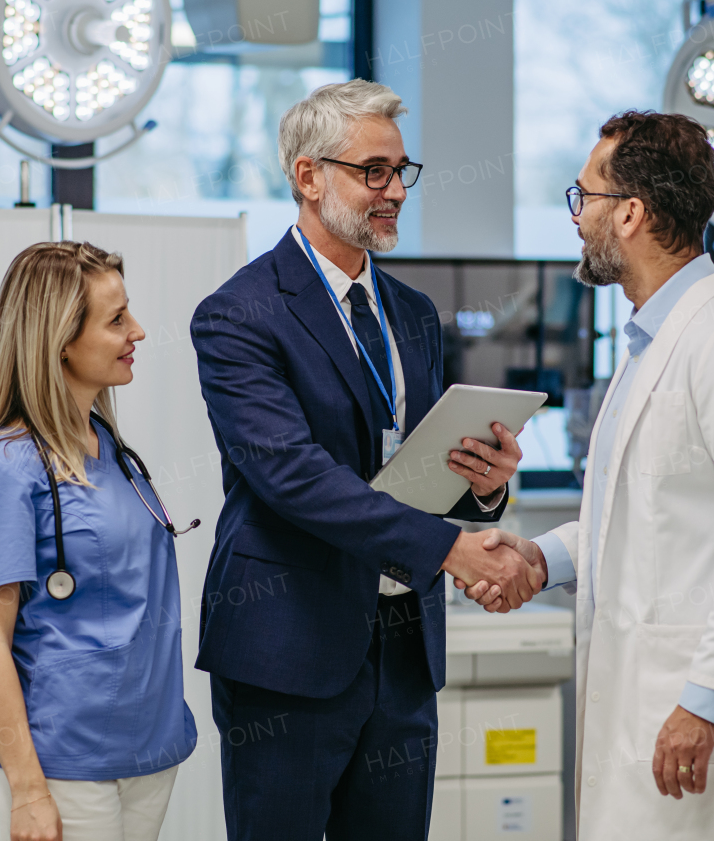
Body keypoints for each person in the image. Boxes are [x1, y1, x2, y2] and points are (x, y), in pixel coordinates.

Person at [464, 111, 714, 840]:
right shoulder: (650, 340)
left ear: (631, 213)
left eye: (584, 199)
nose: (576, 220)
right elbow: (640, 513)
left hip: (706, 711)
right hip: (646, 700)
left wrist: (705, 699)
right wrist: (544, 559)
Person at [188, 79, 543, 841]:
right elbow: (293, 475)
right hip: (290, 645)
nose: (393, 192)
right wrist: (452, 547)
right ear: (308, 175)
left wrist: (480, 490)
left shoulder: (412, 312)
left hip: (403, 646)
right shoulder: (238, 313)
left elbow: (420, 463)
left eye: (401, 172)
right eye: (372, 171)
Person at [0, 241, 197, 841]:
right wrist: (28, 792)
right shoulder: (2, 472)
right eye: (115, 320)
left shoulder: (109, 448)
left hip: (147, 753)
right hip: (59, 768)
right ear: (58, 340)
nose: (137, 331)